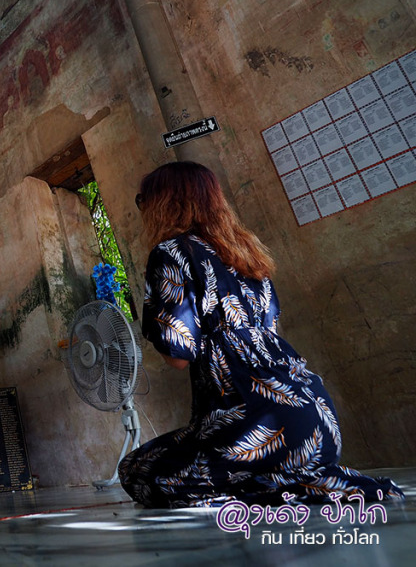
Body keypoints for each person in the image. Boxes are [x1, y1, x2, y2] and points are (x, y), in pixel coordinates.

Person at [119, 161, 402, 508]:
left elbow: (179, 355)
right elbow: (269, 330)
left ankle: (287, 488)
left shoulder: (170, 252)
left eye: (143, 200)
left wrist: (156, 317)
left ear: (164, 203)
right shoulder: (246, 254)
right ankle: (304, 479)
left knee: (137, 471)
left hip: (256, 431)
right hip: (318, 422)